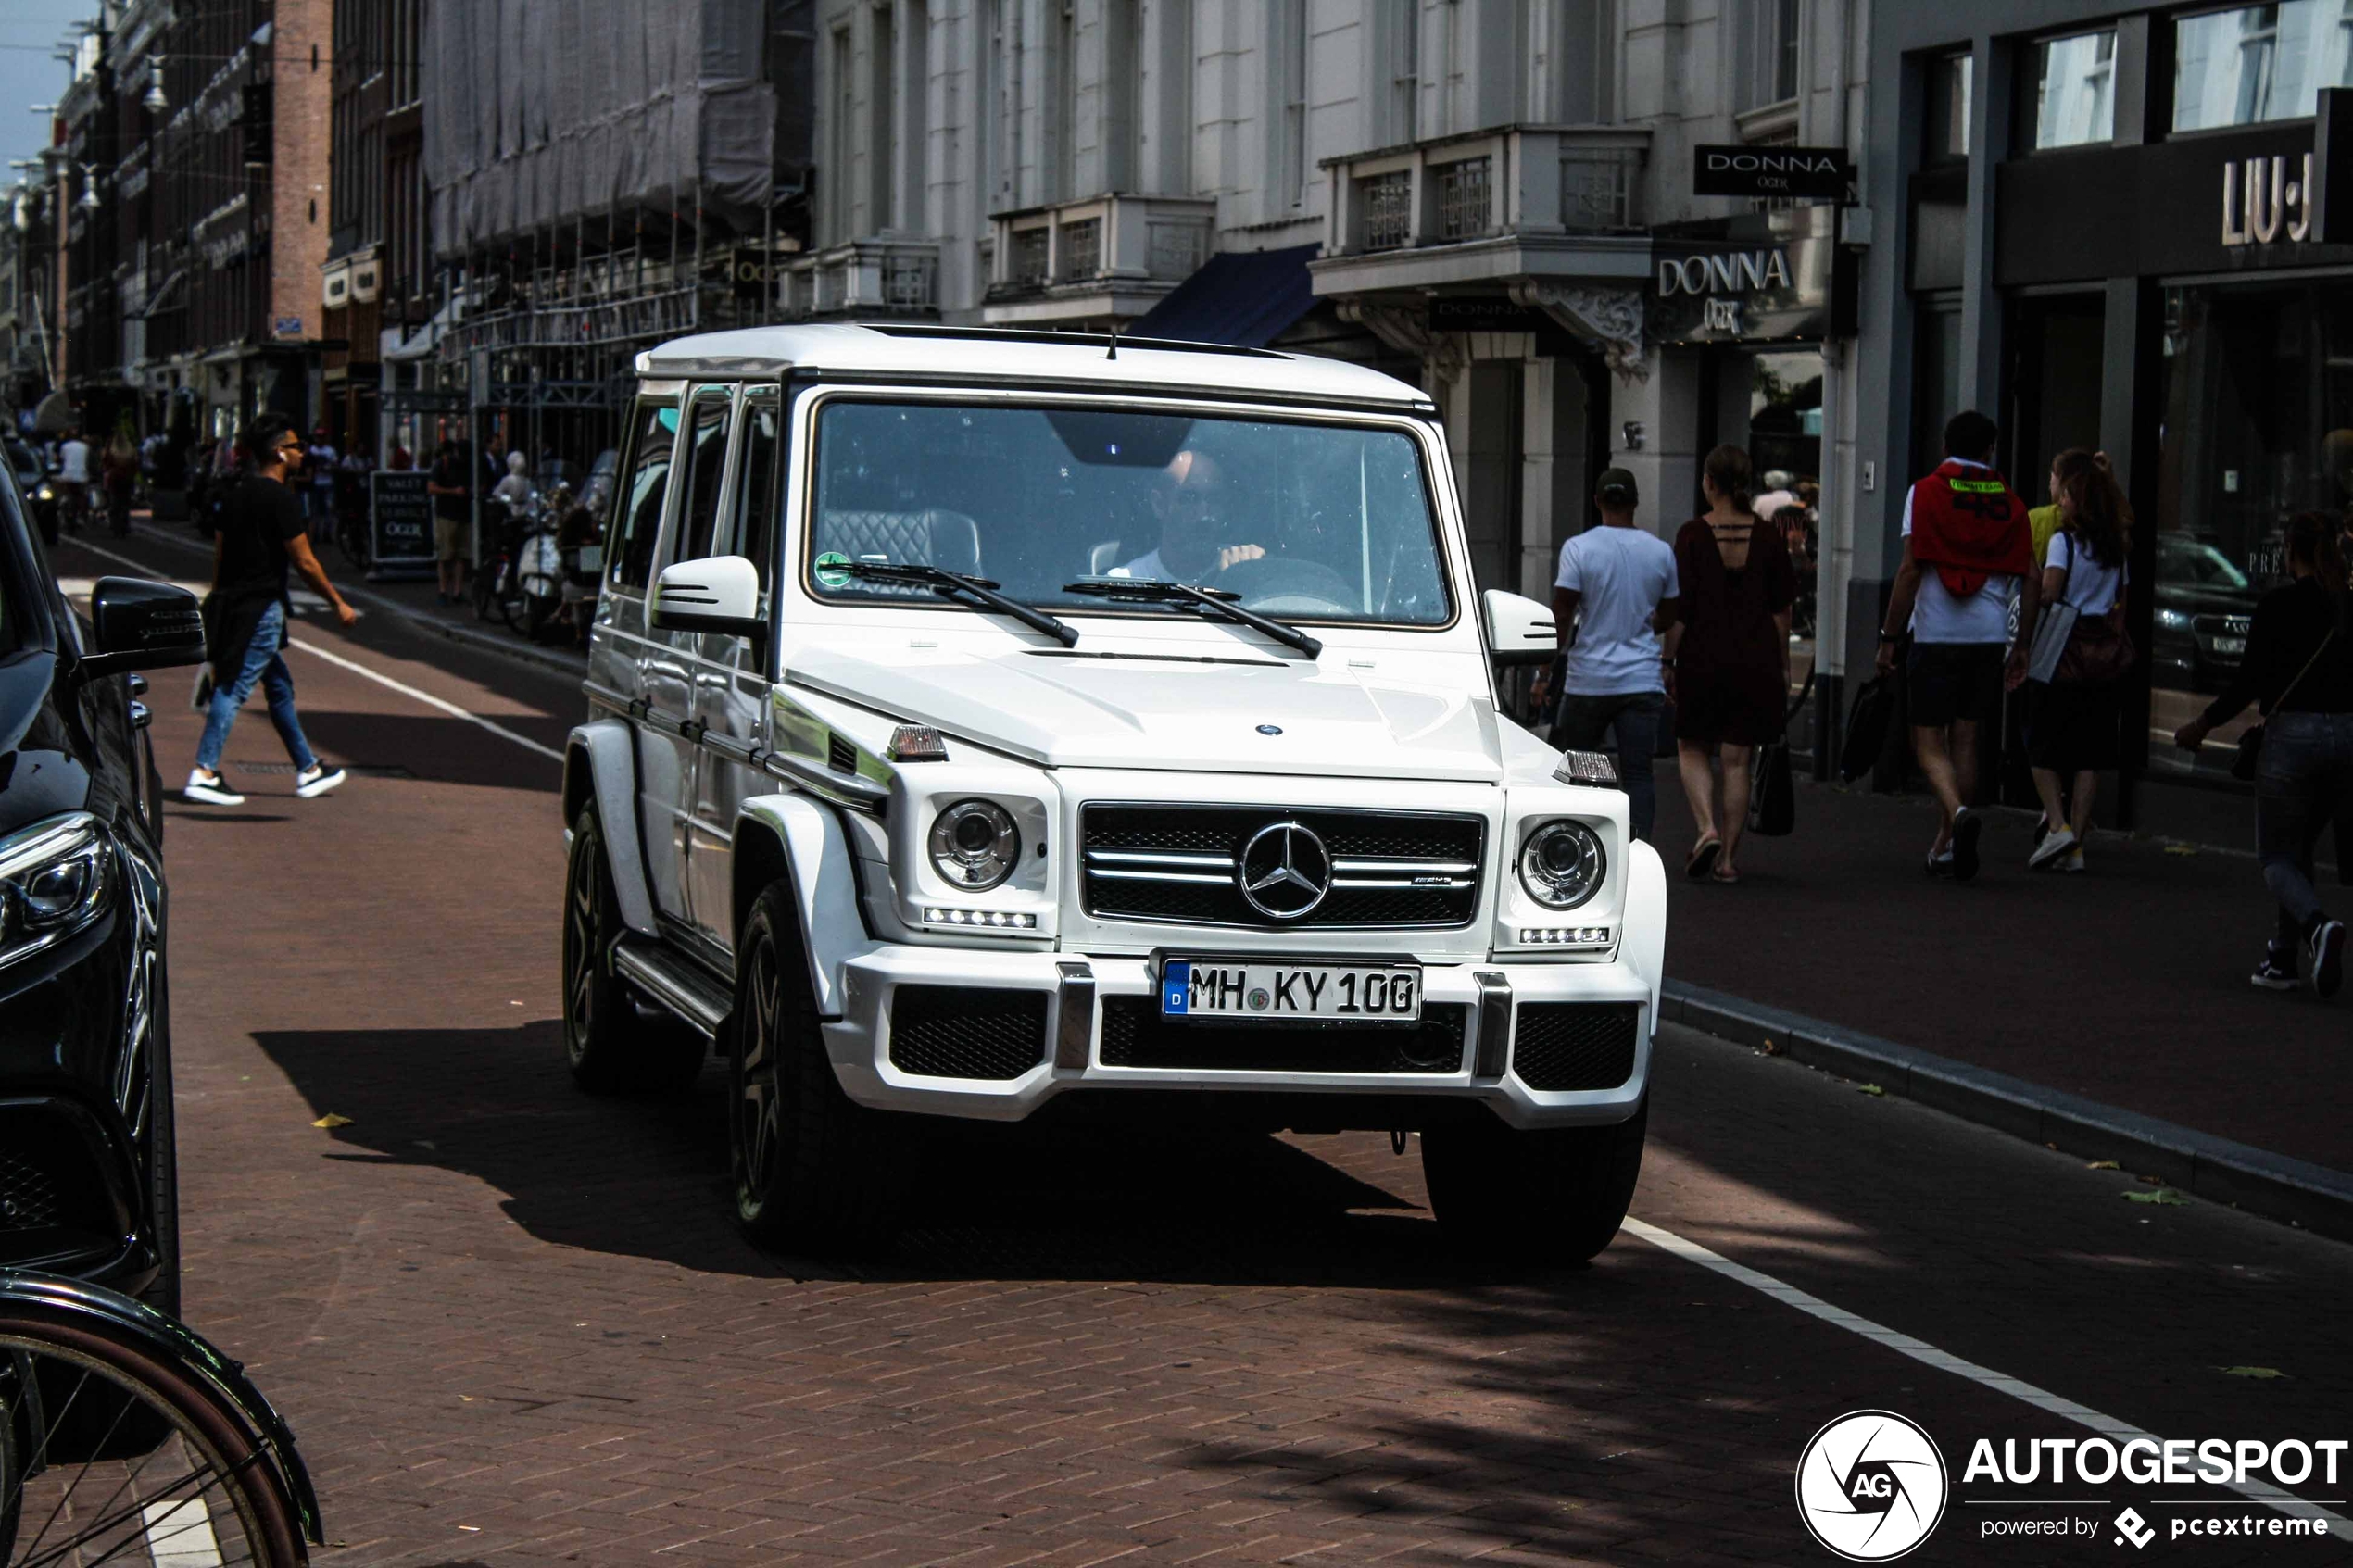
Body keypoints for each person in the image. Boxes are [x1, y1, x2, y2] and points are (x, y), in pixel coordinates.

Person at [2173, 512, 2352, 998]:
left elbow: (2248, 681)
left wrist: (2201, 725)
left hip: (2293, 736)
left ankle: (2317, 927)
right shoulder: (2345, 605)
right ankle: (2282, 957)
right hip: (2346, 736)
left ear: (2289, 550)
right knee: (2299, 850)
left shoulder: (2277, 605)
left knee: (2275, 853)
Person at [1875, 410, 2040, 883]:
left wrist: (1889, 637)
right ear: (1990, 450)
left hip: (1936, 634)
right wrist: (2022, 643)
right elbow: (2029, 576)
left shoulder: (1924, 492)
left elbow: (1910, 570)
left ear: (1946, 446)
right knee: (1967, 738)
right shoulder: (2009, 502)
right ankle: (1946, 843)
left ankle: (1958, 816)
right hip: (1987, 637)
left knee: (1927, 741)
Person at [183, 416, 356, 807]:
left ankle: (308, 769)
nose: (301, 453)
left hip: (232, 604)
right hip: (262, 607)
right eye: (295, 447)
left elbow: (220, 555)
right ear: (279, 452)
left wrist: (218, 600)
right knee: (233, 688)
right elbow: (306, 562)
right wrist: (338, 602)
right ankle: (204, 771)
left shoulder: (234, 494)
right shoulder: (281, 500)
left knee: (278, 688)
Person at [1670, 445, 1797, 884]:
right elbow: (1782, 611)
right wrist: (1782, 666)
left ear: (1709, 482)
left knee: (1692, 746)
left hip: (1702, 657)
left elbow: (1680, 609)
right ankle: (1727, 861)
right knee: (1738, 760)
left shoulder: (1690, 535)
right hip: (1755, 658)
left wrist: (1668, 659)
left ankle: (1705, 828)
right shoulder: (1768, 536)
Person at [1548, 467, 1680, 844]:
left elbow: (1562, 610)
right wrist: (1639, 625)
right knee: (1638, 774)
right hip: (1641, 680)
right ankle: (1638, 848)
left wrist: (1545, 672)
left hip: (1589, 681)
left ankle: (1576, 844)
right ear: (1635, 503)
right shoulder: (1660, 552)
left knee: (1578, 770)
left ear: (1597, 502)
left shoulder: (1579, 548)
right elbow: (1670, 614)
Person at [2016, 458, 2133, 873]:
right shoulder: (2117, 549)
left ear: (2077, 502)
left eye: (2066, 495)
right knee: (2091, 753)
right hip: (2105, 659)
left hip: (2065, 653)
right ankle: (2077, 845)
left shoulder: (2064, 543)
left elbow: (2049, 591)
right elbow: (2122, 599)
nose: (2060, 500)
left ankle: (2059, 826)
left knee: (2040, 740)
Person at [1114, 448, 1264, 583]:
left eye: (1214, 499)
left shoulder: (1243, 567)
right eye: (1189, 498)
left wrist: (1257, 568)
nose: (1204, 514)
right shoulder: (1125, 584)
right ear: (1159, 505)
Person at [426, 440, 472, 605]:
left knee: (460, 554)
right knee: (446, 555)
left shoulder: (467, 465)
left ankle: (457, 591)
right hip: (446, 515)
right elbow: (430, 488)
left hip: (463, 515)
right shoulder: (441, 464)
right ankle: (443, 590)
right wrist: (453, 491)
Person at [99, 430, 138, 535]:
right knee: (125, 503)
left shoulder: (111, 451)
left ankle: (114, 525)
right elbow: (135, 465)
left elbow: (105, 464)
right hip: (128, 479)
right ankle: (125, 524)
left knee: (115, 502)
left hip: (114, 479)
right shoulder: (131, 451)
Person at [57, 427, 92, 529]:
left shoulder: (65, 446)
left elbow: (61, 460)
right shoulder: (85, 447)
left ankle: (65, 511)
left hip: (68, 475)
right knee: (81, 495)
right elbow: (88, 461)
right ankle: (81, 515)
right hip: (82, 476)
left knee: (66, 494)